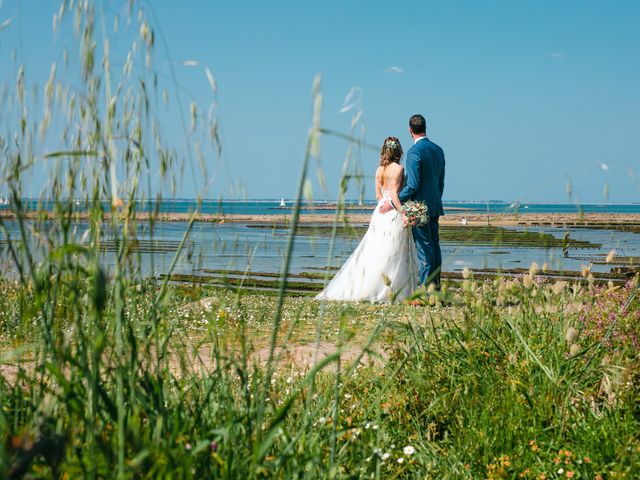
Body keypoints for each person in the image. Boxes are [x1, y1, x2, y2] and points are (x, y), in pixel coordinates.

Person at [315, 137, 419, 302]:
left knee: (377, 249)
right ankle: (391, 289)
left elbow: (379, 195)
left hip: (379, 212)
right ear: (398, 151)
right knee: (393, 250)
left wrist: (384, 205)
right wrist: (404, 213)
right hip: (393, 209)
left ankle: (374, 285)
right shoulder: (399, 169)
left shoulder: (379, 170)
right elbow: (393, 194)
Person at [380, 114, 445, 290]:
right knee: (434, 247)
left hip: (419, 208)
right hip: (434, 205)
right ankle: (436, 288)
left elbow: (413, 185)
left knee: (424, 249)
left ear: (410, 130)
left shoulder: (414, 152)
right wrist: (435, 199)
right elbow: (440, 182)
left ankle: (426, 291)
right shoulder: (438, 150)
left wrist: (394, 203)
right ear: (425, 127)